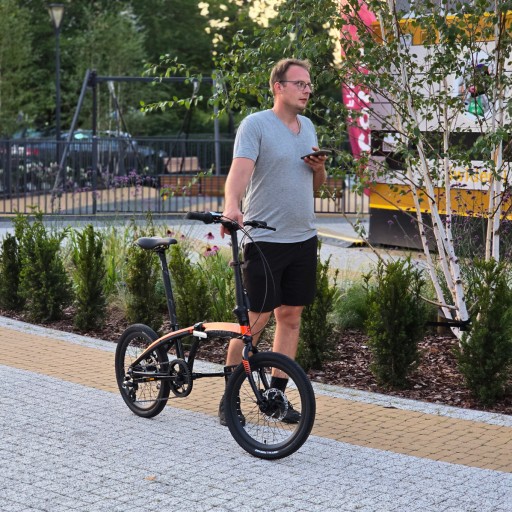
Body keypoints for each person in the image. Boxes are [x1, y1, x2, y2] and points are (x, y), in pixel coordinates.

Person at [218, 58, 328, 425]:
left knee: (291, 318)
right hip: (265, 238)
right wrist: (232, 206)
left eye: (309, 84)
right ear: (278, 87)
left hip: (303, 238)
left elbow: (314, 187)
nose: (307, 90)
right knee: (255, 320)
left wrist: (319, 170)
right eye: (299, 84)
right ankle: (230, 398)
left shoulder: (308, 127)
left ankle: (276, 396)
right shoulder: (256, 125)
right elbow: (239, 173)